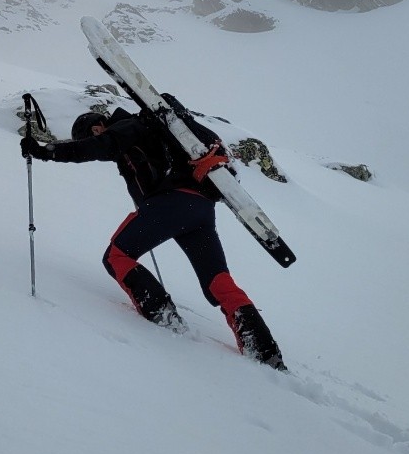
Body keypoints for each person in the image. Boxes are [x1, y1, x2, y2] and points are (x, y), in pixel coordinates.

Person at [21, 97, 286, 369]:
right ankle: (265, 352)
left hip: (172, 203)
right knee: (217, 280)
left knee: (117, 256)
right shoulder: (146, 133)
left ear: (96, 126)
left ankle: (164, 318)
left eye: (90, 133)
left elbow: (101, 146)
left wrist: (46, 151)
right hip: (201, 209)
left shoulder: (126, 126)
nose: (96, 136)